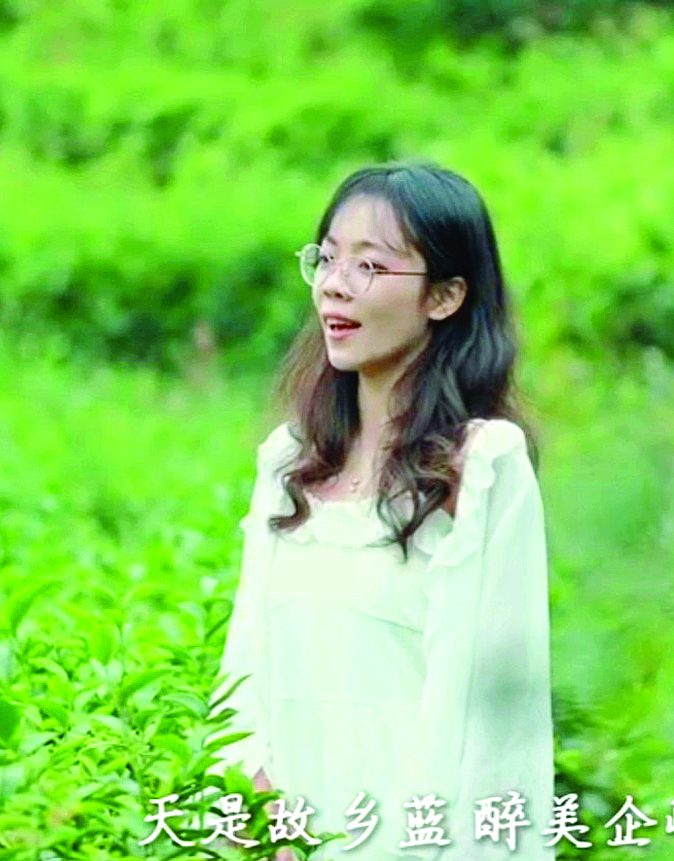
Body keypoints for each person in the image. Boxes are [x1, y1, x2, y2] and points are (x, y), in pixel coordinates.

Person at [205, 162, 556, 861]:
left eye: (369, 265)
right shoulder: (289, 462)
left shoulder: (484, 467)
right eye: (328, 258)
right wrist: (257, 815)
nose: (335, 284)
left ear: (446, 295)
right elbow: (244, 676)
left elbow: (491, 727)